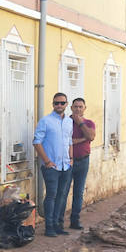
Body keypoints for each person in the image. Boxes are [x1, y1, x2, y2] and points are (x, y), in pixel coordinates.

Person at [33, 92, 74, 237]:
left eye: (62, 103)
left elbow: (69, 141)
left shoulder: (69, 122)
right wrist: (47, 161)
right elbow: (36, 142)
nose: (59, 105)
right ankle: (49, 226)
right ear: (53, 104)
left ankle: (58, 225)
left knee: (62, 195)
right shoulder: (45, 121)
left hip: (66, 165)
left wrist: (71, 158)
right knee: (51, 195)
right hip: (51, 166)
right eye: (56, 103)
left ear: (66, 104)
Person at [66, 97, 96, 230]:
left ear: (85, 108)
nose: (78, 109)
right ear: (71, 108)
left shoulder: (89, 123)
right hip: (67, 161)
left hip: (83, 160)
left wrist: (80, 123)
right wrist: (82, 139)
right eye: (75, 107)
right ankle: (58, 221)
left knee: (79, 192)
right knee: (63, 191)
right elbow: (67, 141)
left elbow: (91, 136)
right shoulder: (65, 122)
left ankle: (75, 220)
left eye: (80, 107)